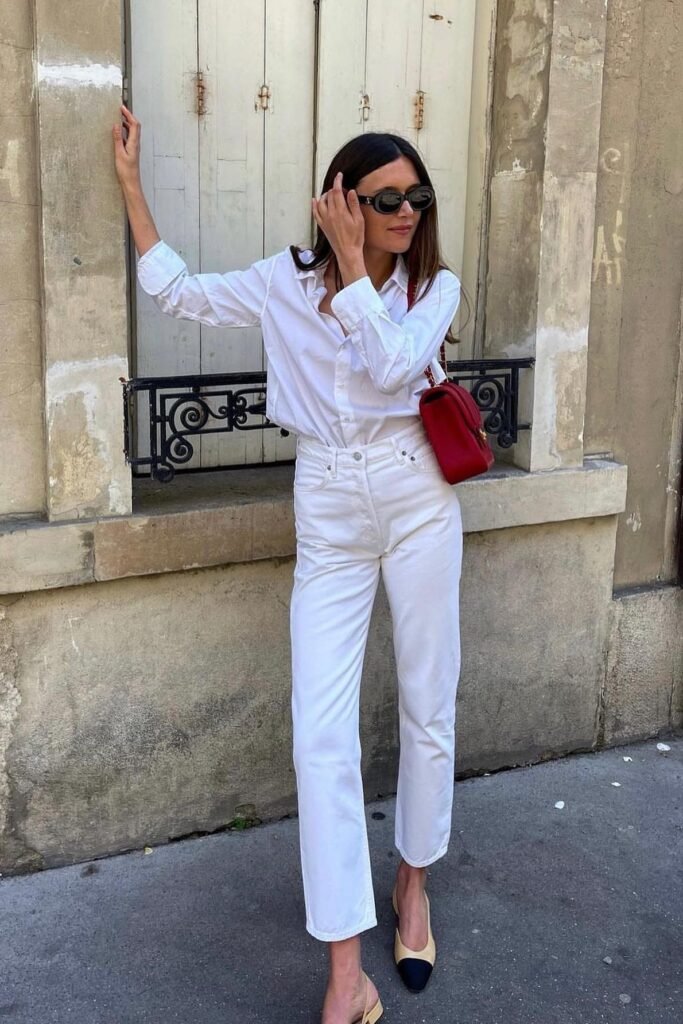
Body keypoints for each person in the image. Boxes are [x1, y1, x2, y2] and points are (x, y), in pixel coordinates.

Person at [114, 104, 463, 1024]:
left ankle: (413, 888)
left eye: (415, 196)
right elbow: (179, 292)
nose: (404, 212)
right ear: (336, 201)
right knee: (320, 733)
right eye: (384, 197)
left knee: (429, 705)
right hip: (330, 503)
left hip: (418, 495)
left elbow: (392, 372)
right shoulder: (280, 281)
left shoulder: (435, 291)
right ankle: (344, 968)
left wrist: (355, 270)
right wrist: (130, 188)